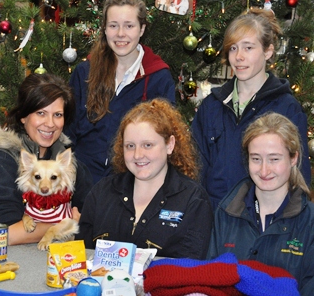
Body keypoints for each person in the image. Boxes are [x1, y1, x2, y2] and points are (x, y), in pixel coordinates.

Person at [191, 8, 311, 211]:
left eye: (248, 48)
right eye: (233, 48)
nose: (238, 57)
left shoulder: (286, 107)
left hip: (261, 219)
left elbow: (298, 175)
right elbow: (194, 167)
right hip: (214, 217)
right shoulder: (211, 105)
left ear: (268, 51)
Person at [207, 112, 314, 296]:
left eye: (274, 159)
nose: (264, 170)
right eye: (256, 159)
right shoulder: (226, 212)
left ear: (293, 159)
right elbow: (210, 282)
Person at [76, 99, 213, 259]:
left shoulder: (193, 201)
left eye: (147, 145)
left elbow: (189, 269)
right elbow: (82, 257)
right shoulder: (102, 193)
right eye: (130, 146)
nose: (138, 155)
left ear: (170, 145)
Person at [66, 0, 176, 184]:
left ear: (142, 29)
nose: (120, 34)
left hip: (133, 186)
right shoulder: (84, 73)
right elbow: (68, 132)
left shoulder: (159, 78)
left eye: (129, 26)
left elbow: (164, 142)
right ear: (105, 29)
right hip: (82, 183)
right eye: (113, 26)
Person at [0, 73, 93, 246]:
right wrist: (64, 224)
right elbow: (3, 234)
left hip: (60, 262)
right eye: (41, 113)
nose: (50, 123)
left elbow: (89, 220)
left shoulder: (71, 165)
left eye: (58, 115)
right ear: (23, 116)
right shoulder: (3, 161)